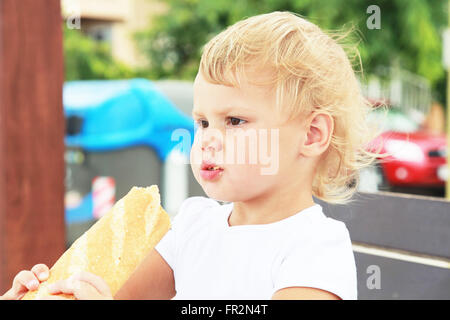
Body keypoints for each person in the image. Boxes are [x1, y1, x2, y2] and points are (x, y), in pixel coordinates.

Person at [1, 11, 383, 300]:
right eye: (201, 122)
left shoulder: (314, 248)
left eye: (234, 120)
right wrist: (64, 290)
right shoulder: (193, 226)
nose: (208, 140)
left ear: (312, 135)